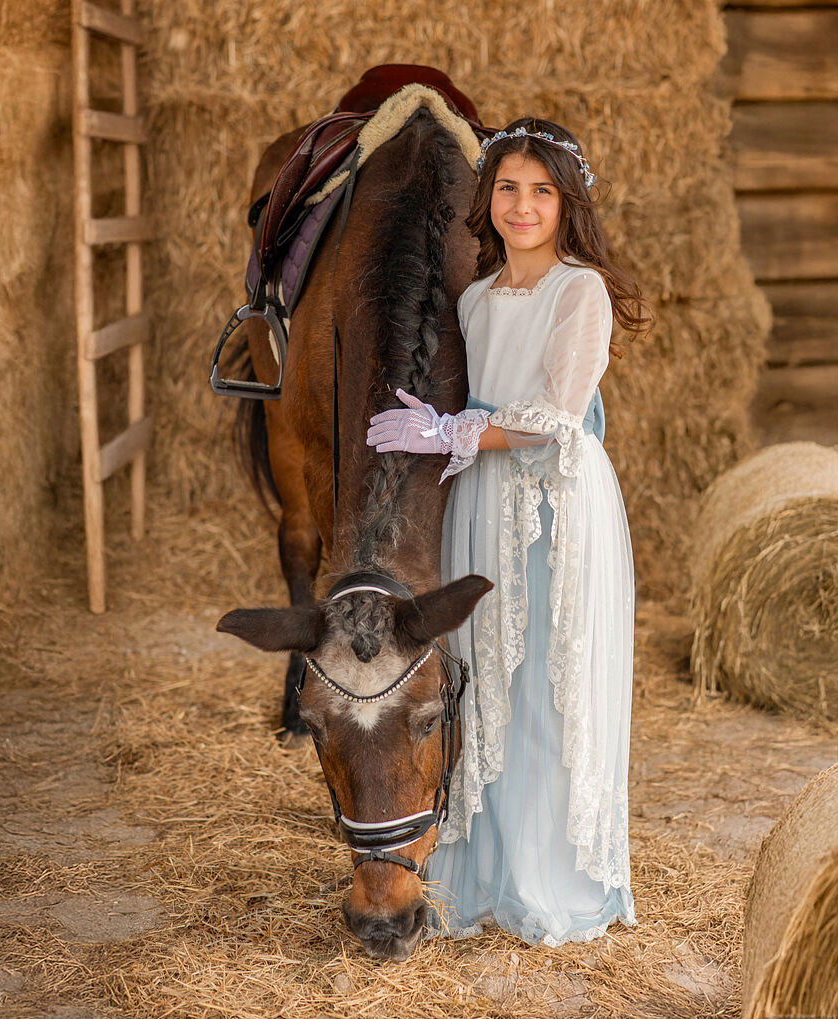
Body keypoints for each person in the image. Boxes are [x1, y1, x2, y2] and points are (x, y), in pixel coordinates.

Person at [366, 117, 652, 945]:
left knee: (548, 683)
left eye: (541, 191)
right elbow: (480, 397)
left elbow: (558, 418)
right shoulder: (474, 299)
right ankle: (485, 868)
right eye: (507, 187)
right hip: (483, 498)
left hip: (555, 501)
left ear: (567, 204)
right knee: (484, 676)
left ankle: (547, 878)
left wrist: (451, 432)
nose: (522, 205)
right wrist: (442, 427)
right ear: (487, 196)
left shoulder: (580, 291)